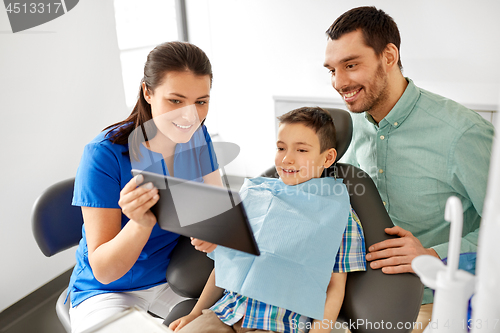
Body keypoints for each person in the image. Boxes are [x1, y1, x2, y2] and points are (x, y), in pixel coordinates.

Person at [323, 6, 494, 332]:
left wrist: (432, 254)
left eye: (351, 65)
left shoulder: (462, 133)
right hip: (353, 292)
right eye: (331, 69)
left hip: (430, 301)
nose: (338, 82)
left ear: (389, 56)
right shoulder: (350, 124)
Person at [67, 41, 222, 333]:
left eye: (201, 102)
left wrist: (213, 230)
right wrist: (139, 225)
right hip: (107, 291)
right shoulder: (104, 155)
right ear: (147, 92)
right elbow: (104, 271)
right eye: (175, 101)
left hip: (172, 277)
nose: (190, 117)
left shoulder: (198, 137)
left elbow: (213, 211)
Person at [169, 107, 366, 333]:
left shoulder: (340, 216)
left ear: (328, 157)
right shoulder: (255, 195)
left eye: (301, 149)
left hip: (279, 324)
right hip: (226, 312)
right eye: (281, 147)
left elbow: (334, 286)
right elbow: (226, 265)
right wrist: (195, 313)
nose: (287, 158)